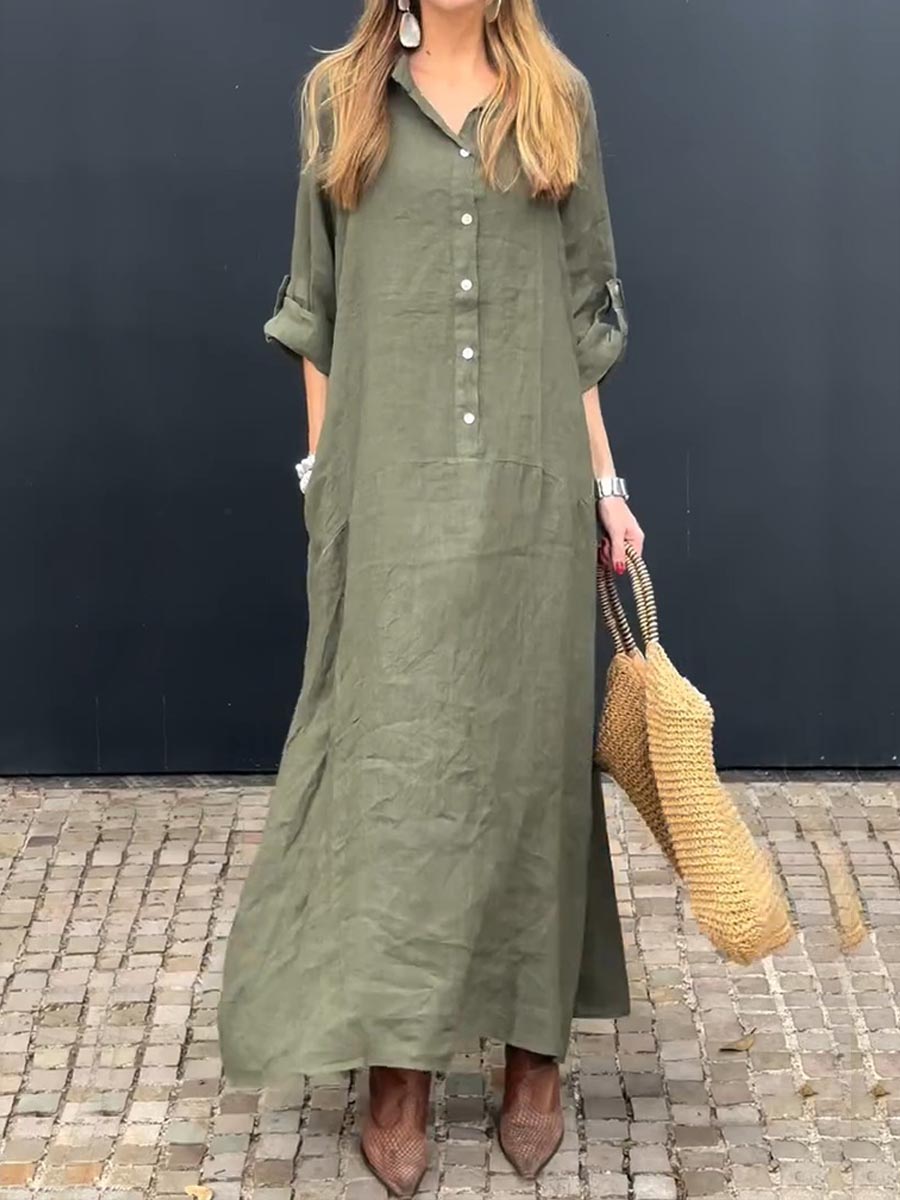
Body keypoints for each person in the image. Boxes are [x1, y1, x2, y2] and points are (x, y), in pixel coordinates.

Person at [217, 0, 643, 1194]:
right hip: (386, 494)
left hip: (530, 490)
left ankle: (534, 1052)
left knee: (529, 765)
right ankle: (396, 1059)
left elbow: (578, 323)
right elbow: (316, 313)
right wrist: (324, 481)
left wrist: (607, 486)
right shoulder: (340, 99)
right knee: (390, 768)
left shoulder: (557, 99)